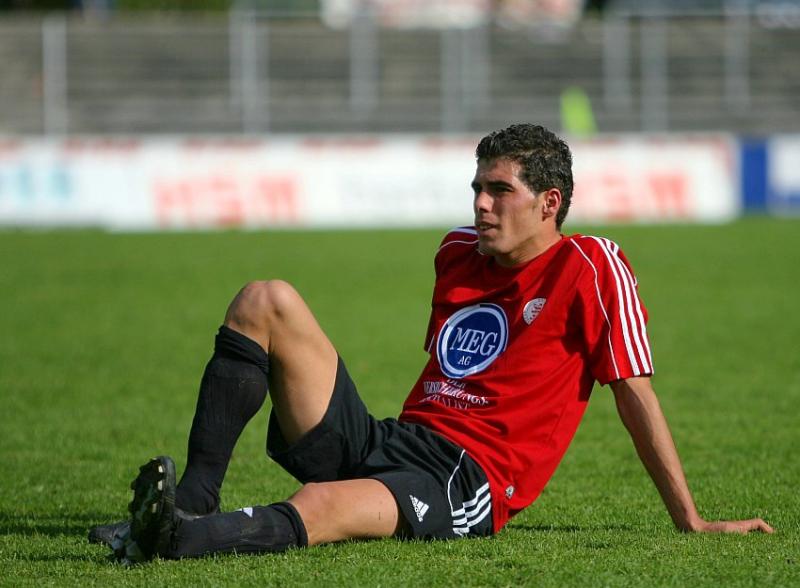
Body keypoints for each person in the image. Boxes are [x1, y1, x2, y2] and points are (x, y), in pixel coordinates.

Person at [90, 124, 773, 564]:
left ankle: (169, 541)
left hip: (466, 478)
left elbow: (634, 393)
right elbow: (447, 370)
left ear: (549, 203)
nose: (480, 204)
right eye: (477, 188)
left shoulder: (590, 268)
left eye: (499, 191)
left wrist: (693, 521)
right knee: (265, 300)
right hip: (393, 442)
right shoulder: (456, 254)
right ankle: (195, 502)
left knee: (323, 509)